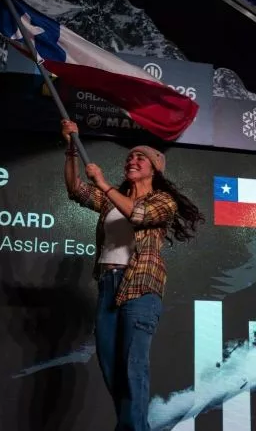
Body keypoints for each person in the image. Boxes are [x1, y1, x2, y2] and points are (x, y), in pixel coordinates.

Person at [61, 119, 204, 431]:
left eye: (141, 157)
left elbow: (139, 215)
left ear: (154, 169)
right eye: (130, 157)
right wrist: (71, 147)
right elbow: (75, 189)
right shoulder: (112, 200)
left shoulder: (162, 201)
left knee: (132, 367)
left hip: (140, 287)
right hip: (108, 286)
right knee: (112, 368)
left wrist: (104, 183)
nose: (132, 160)